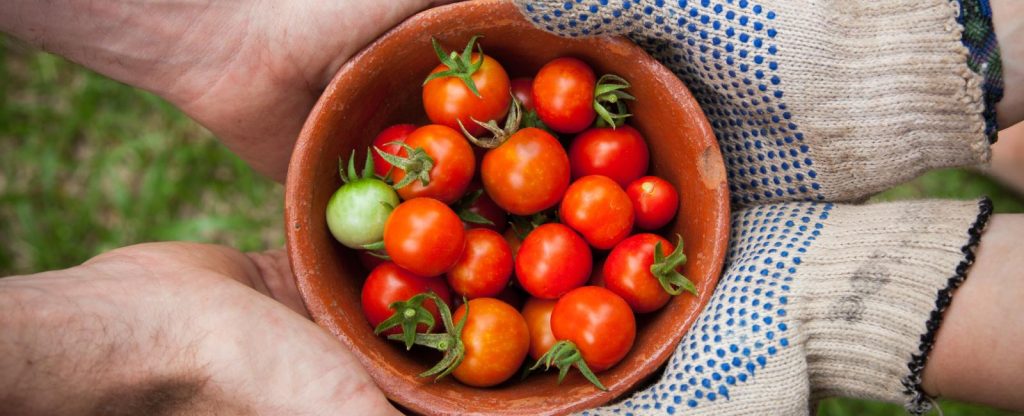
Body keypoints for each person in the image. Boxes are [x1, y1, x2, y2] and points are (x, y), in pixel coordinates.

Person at [0, 0, 1021, 415]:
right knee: (925, 266)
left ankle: (978, 97)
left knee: (912, 72)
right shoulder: (473, 235)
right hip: (567, 267)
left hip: (573, 244)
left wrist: (204, 36)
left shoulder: (472, 182)